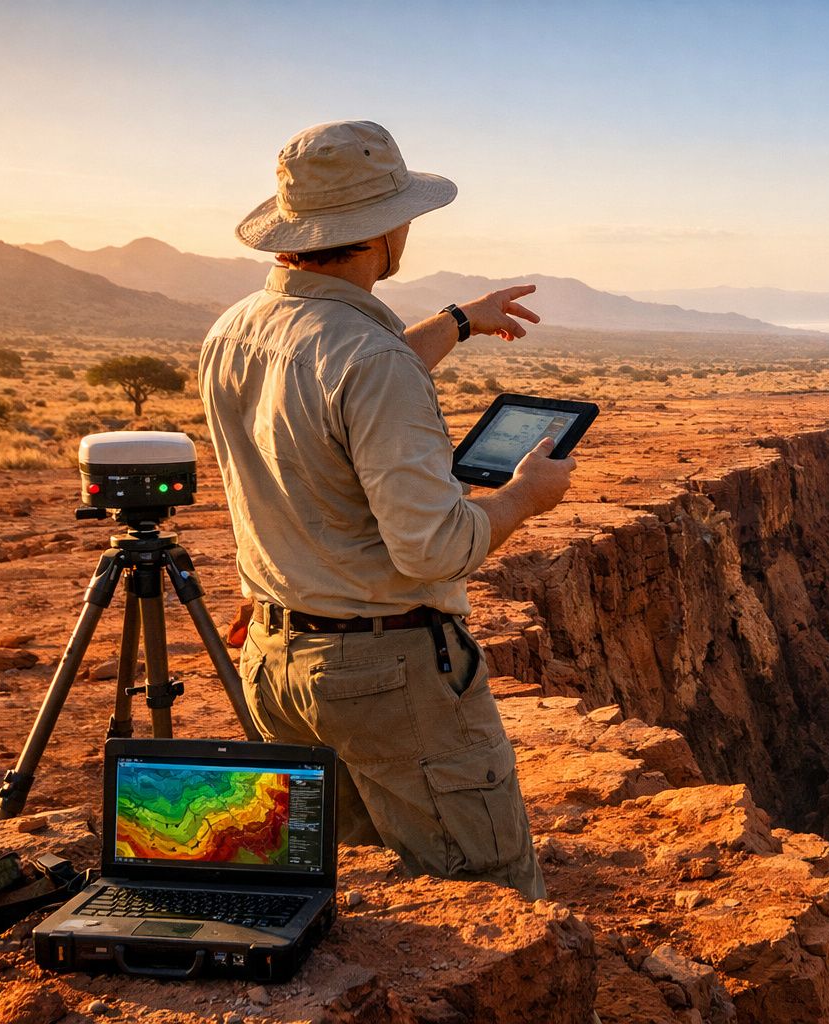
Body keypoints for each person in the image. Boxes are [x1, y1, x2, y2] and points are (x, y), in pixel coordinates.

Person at [198, 120, 572, 899]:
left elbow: (341, 382)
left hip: (275, 663)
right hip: (385, 676)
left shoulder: (235, 330)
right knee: (487, 890)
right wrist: (523, 498)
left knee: (345, 894)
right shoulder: (371, 360)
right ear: (382, 232)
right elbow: (433, 547)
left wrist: (459, 322)